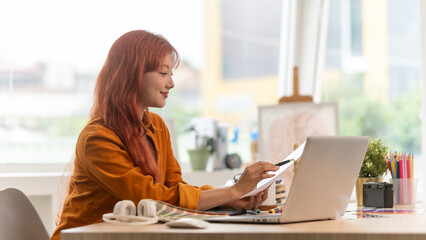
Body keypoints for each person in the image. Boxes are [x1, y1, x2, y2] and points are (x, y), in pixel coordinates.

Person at [50, 30, 278, 240]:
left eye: (171, 73)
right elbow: (152, 198)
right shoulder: (97, 138)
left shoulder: (157, 126)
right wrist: (232, 191)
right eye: (163, 73)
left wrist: (229, 199)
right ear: (132, 75)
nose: (171, 83)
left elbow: (174, 188)